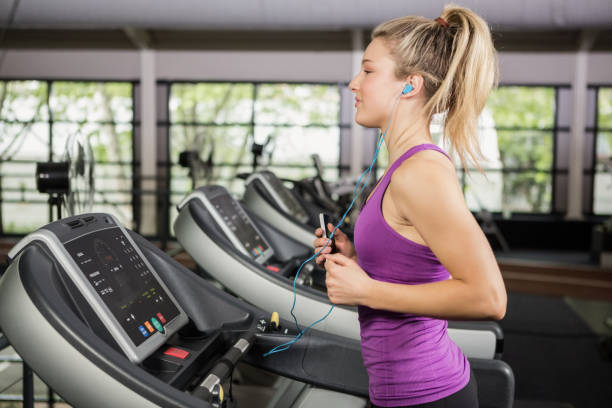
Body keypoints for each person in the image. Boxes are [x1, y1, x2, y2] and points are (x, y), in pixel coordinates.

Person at [313, 4, 507, 408]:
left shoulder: (420, 172)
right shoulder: (401, 167)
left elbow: (488, 297)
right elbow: (410, 271)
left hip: (427, 393)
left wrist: (367, 289)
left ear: (410, 84)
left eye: (368, 71)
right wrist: (354, 258)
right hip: (397, 388)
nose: (353, 83)